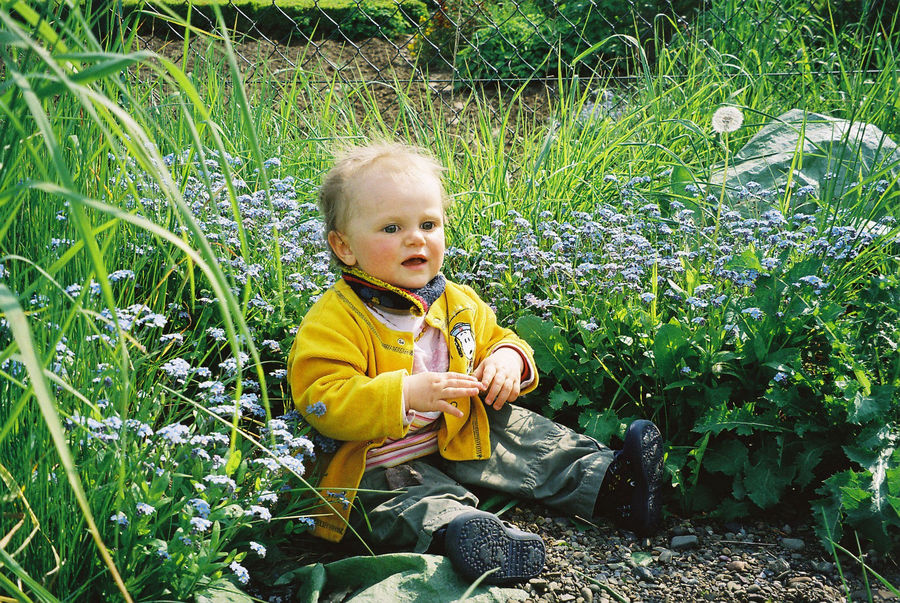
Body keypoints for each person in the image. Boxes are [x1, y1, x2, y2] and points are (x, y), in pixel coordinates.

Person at [286, 141, 664, 585]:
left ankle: (613, 483)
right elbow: (320, 398)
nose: (415, 238)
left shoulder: (456, 300)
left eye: (429, 224)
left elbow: (498, 339)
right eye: (391, 228)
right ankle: (464, 533)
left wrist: (507, 361)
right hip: (375, 459)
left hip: (459, 430)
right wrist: (403, 393)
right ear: (344, 247)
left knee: (524, 433)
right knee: (397, 501)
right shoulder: (336, 317)